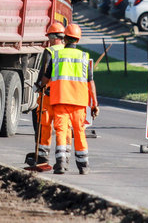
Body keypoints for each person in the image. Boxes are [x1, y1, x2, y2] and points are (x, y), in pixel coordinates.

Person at [40, 23, 99, 175]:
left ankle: (60, 164)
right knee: (79, 131)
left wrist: (39, 86)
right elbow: (90, 82)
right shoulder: (84, 57)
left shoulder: (57, 56)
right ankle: (83, 165)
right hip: (79, 103)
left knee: (61, 130)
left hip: (60, 100)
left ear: (64, 39)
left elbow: (46, 78)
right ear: (78, 41)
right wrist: (94, 104)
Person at [32, 22, 68, 166]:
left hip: (49, 94)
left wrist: (38, 85)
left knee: (43, 124)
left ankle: (42, 157)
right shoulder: (66, 51)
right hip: (63, 95)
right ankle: (63, 158)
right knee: (62, 127)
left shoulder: (50, 51)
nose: (49, 40)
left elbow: (44, 72)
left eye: (50, 37)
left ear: (54, 37)